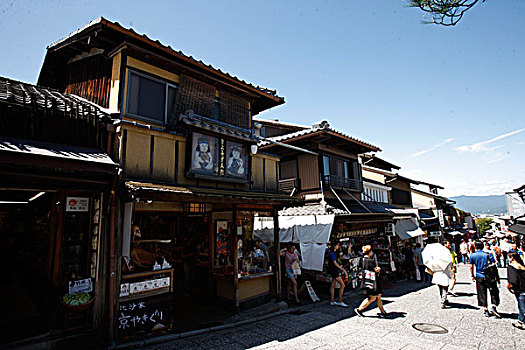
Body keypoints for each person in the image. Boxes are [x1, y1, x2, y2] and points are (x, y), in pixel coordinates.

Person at [354, 245, 387, 317]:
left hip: (367, 280)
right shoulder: (370, 261)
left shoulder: (362, 260)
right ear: (369, 252)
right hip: (373, 281)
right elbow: (376, 269)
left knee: (378, 296)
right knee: (372, 297)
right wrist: (378, 268)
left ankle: (383, 312)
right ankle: (359, 309)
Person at [470, 241, 501, 318]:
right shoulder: (488, 254)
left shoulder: (473, 255)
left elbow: (471, 266)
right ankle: (494, 306)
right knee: (493, 291)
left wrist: (472, 275)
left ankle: (485, 309)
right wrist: (497, 278)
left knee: (482, 292)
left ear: (475, 247)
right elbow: (494, 265)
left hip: (479, 275)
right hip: (489, 276)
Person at [507, 251, 525, 330]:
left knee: (522, 306)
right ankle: (520, 320)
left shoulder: (512, 267)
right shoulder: (522, 266)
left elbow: (513, 281)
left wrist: (509, 287)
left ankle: (521, 321)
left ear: (512, 258)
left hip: (519, 290)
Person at [327, 242, 348, 307]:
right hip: (334, 271)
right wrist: (342, 269)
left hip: (332, 270)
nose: (338, 246)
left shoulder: (331, 253)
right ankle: (340, 300)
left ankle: (333, 301)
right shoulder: (332, 253)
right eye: (337, 245)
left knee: (333, 285)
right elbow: (335, 263)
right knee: (342, 285)